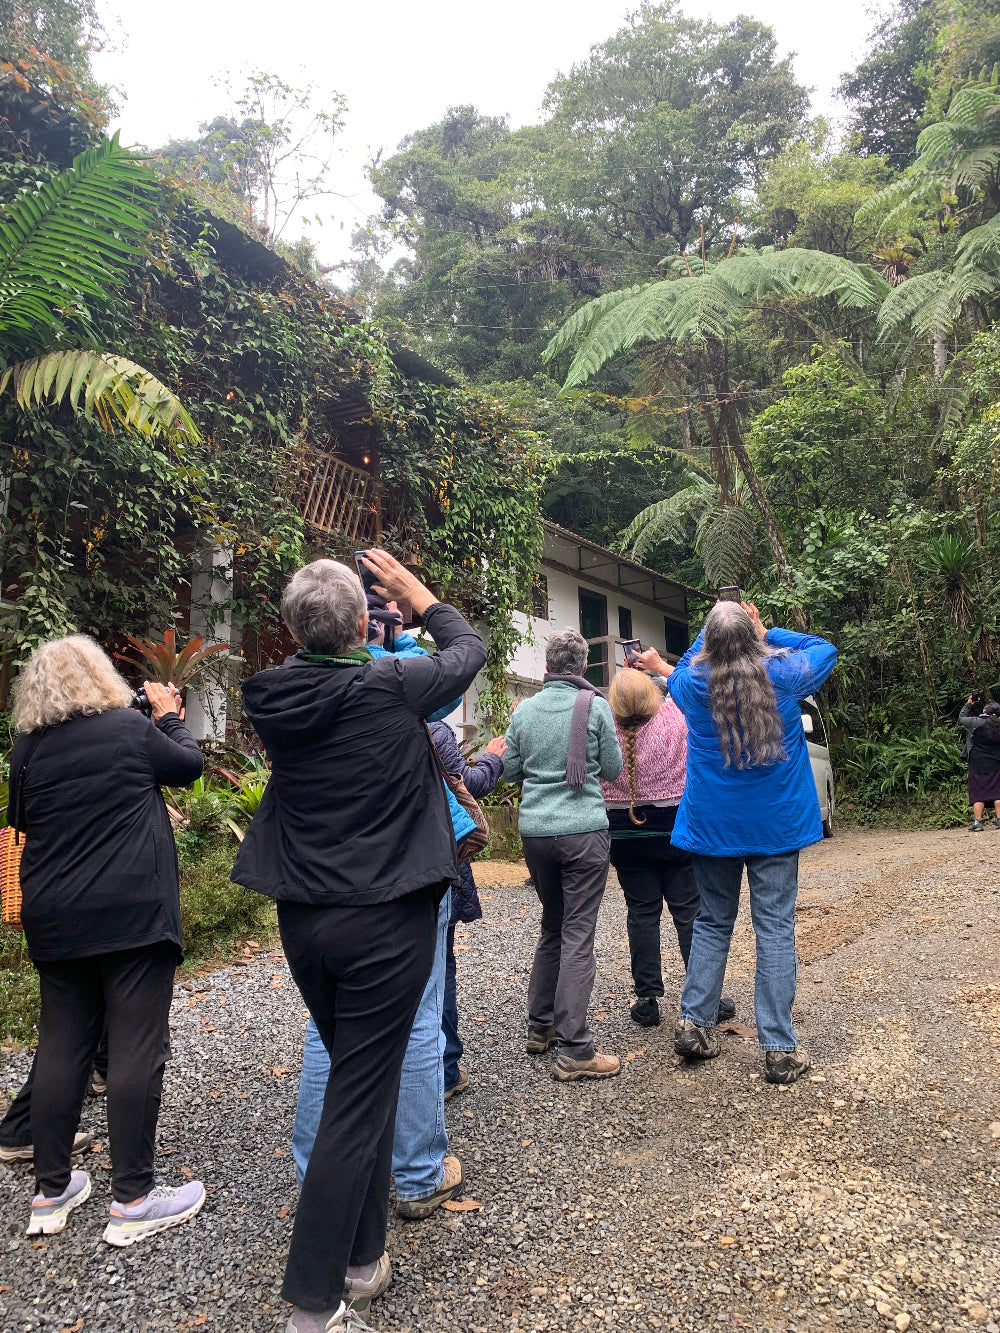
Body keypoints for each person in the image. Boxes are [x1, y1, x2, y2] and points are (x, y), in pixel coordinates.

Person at [231, 551, 485, 1333]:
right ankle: (315, 1300)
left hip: (306, 917)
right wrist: (419, 594)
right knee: (357, 1092)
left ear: (294, 629)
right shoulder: (386, 684)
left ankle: (363, 1253)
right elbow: (466, 651)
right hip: (386, 916)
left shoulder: (272, 695)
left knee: (356, 1075)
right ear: (357, 627)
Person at [7, 635, 206, 1243]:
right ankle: (134, 1198)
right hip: (130, 913)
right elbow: (189, 766)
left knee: (61, 1046)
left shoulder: (27, 749)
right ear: (100, 679)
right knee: (135, 1047)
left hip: (54, 914)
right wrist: (170, 717)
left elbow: (24, 819)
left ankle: (50, 1192)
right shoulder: (128, 730)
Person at [664, 602, 837, 1086]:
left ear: (710, 642)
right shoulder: (782, 673)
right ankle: (779, 1050)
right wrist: (764, 628)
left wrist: (710, 629)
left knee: (713, 923)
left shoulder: (692, 686)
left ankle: (695, 1025)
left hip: (712, 827)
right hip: (776, 827)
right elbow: (825, 648)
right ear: (753, 638)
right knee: (775, 930)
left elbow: (682, 664)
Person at [503, 627, 624, 1082]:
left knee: (552, 926)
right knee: (578, 933)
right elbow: (612, 769)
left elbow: (510, 769)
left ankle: (541, 1026)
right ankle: (576, 1048)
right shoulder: (593, 706)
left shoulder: (525, 710)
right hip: (583, 832)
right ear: (584, 668)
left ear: (548, 667)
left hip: (536, 834)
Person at [601, 667, 736, 1029]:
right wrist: (657, 668)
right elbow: (684, 687)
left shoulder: (605, 728)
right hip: (676, 832)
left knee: (641, 914)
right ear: (653, 697)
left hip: (625, 837)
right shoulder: (675, 717)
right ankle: (706, 996)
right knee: (690, 913)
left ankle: (646, 999)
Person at [426, 721, 505, 1100]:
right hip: (436, 856)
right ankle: (444, 1069)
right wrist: (493, 756)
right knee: (439, 966)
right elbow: (469, 783)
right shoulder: (431, 728)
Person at [958, 698, 1000, 832]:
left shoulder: (974, 722)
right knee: (997, 793)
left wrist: (969, 703)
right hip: (995, 763)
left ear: (984, 710)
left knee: (977, 793)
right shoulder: (998, 725)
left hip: (976, 764)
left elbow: (961, 717)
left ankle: (978, 822)